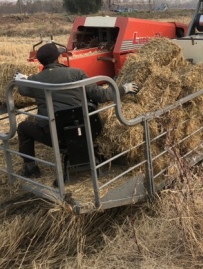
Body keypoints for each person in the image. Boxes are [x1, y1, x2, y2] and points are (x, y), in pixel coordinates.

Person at [15, 42, 139, 178]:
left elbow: (22, 89)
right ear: (59, 58)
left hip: (55, 137)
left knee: (23, 127)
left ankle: (31, 169)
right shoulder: (76, 73)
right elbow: (101, 95)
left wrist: (23, 79)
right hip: (87, 130)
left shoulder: (35, 81)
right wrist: (124, 88)